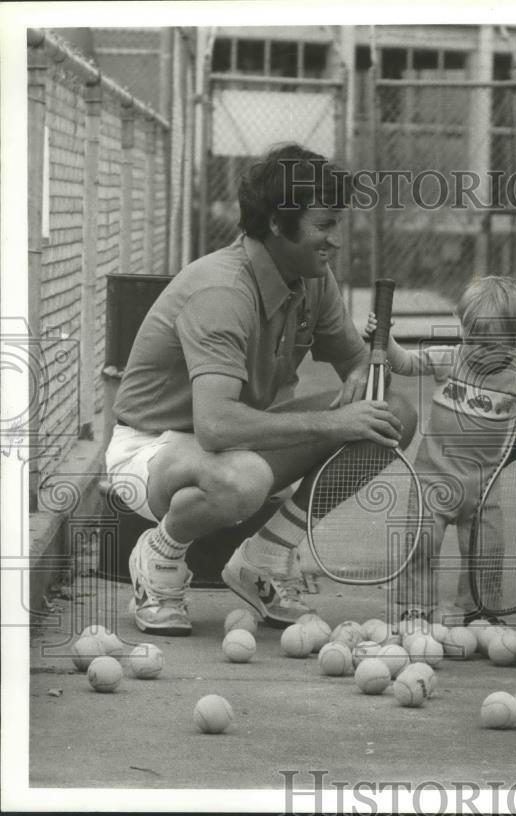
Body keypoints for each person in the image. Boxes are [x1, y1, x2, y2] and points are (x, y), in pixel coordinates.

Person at [105, 144, 415, 636]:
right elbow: (215, 426)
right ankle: (158, 558)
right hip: (151, 451)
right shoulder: (221, 291)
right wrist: (331, 421)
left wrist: (365, 376)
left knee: (391, 413)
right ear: (277, 223)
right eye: (324, 225)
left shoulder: (312, 278)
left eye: (338, 224)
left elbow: (359, 364)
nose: (336, 240)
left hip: (234, 446)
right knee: (243, 477)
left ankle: (264, 556)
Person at [365, 276, 516, 625]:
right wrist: (385, 339)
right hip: (432, 481)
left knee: (487, 552)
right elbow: (406, 363)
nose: (477, 349)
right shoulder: (452, 358)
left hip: (485, 486)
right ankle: (417, 608)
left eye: (490, 343)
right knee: (421, 545)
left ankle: (478, 610)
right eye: (472, 339)